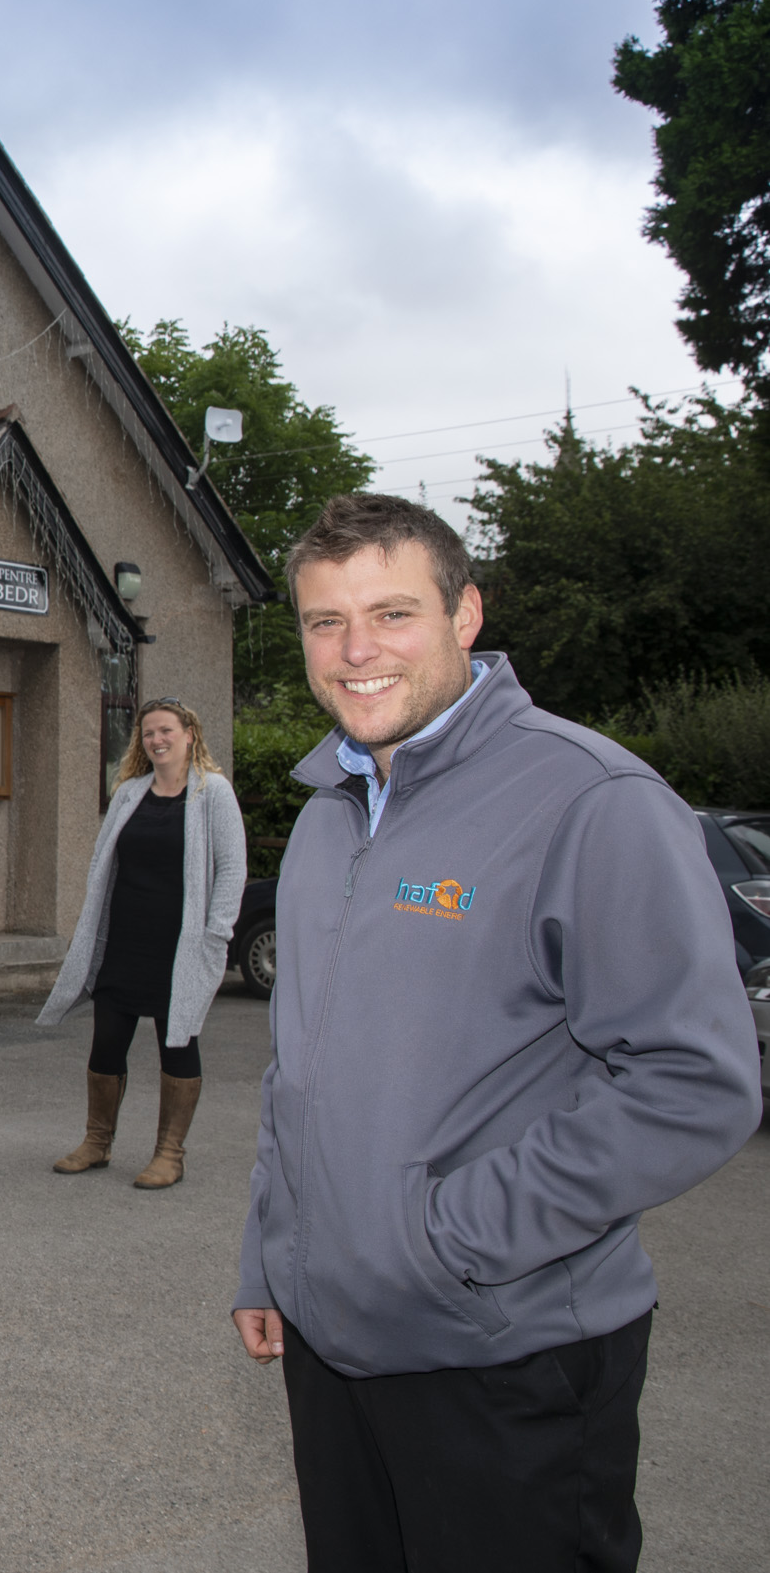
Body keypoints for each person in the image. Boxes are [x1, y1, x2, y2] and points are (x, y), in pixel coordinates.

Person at [232, 492, 759, 1572]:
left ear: (465, 615)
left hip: (505, 1353)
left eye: (391, 614)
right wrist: (271, 1256)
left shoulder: (590, 799)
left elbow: (691, 1081)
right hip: (331, 1341)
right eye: (324, 622)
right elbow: (304, 1073)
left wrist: (448, 1241)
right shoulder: (332, 808)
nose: (355, 651)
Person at [36, 697, 246, 1187]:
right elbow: (100, 860)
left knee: (178, 1044)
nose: (158, 740)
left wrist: (218, 931)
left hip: (181, 947)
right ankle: (97, 1142)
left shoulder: (213, 793)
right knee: (107, 1042)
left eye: (167, 730)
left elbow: (232, 868)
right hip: (125, 941)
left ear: (189, 733)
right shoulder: (130, 792)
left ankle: (169, 1154)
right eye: (149, 732)